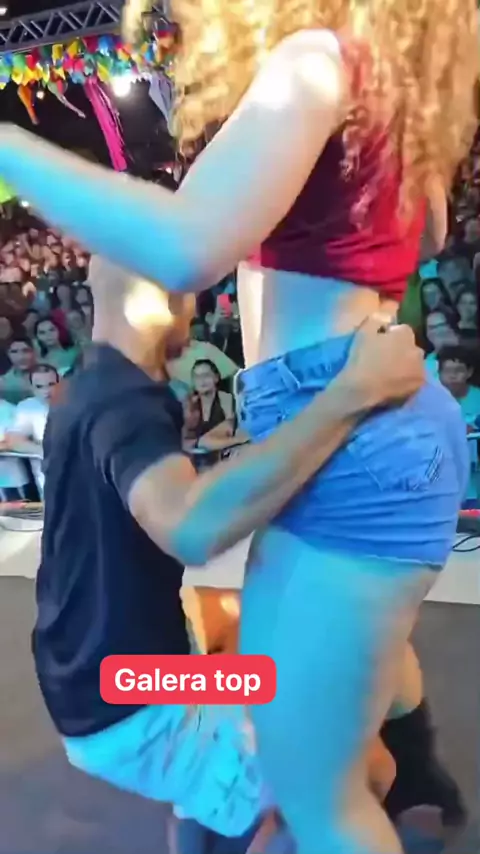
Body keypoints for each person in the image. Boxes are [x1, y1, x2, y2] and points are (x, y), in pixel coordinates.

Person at [0, 1, 476, 849]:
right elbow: (429, 229)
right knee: (331, 744)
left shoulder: (91, 397)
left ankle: (379, 772)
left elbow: (188, 245)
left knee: (318, 781)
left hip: (116, 687)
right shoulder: (381, 79)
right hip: (134, 688)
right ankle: (396, 768)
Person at [33, 257, 426, 854]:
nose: (195, 310)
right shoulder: (128, 403)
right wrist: (354, 392)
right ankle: (264, 804)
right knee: (366, 774)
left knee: (254, 637)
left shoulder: (84, 384)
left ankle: (210, 790)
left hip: (99, 672)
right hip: (135, 701)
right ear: (162, 294)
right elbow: (192, 527)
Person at [5, 363, 60, 497]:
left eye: (51, 384)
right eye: (39, 386)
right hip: (48, 479)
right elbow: (13, 440)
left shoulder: (76, 402)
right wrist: (43, 451)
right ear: (31, 388)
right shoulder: (28, 406)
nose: (46, 390)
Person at [438, 346, 480, 429]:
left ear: (469, 372)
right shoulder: (428, 399)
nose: (453, 375)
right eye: (447, 371)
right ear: (439, 373)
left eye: (459, 370)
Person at [0, 334, 37, 404]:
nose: (21, 357)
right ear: (8, 354)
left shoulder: (51, 376)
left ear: (33, 352)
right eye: (14, 352)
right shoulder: (2, 383)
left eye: (26, 351)